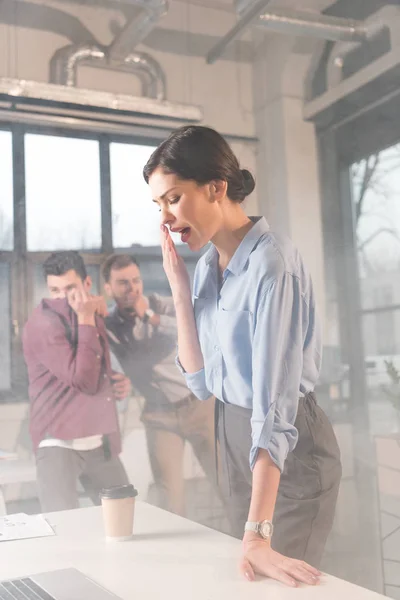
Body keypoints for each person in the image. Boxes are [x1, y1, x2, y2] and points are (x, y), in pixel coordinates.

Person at [143, 125, 342, 587]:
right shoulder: (208, 265)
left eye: (173, 198)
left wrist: (257, 533)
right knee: (248, 585)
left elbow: (274, 406)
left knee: (283, 586)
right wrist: (178, 289)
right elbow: (200, 381)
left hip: (284, 446)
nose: (166, 217)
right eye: (158, 206)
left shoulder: (273, 264)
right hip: (231, 435)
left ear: (216, 188)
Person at [102, 253, 217, 517]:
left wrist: (151, 317)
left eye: (136, 281)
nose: (132, 289)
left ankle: (250, 550)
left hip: (198, 405)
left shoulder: (164, 306)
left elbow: (199, 332)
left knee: (226, 484)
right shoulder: (108, 326)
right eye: (123, 283)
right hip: (159, 414)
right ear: (108, 289)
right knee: (170, 499)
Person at [23, 251, 131, 512]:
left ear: (86, 284)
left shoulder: (90, 311)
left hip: (98, 439)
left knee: (128, 517)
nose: (62, 297)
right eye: (54, 290)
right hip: (58, 441)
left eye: (69, 288)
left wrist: (117, 383)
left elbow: (95, 368)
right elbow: (82, 379)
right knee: (64, 534)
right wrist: (86, 317)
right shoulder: (43, 324)